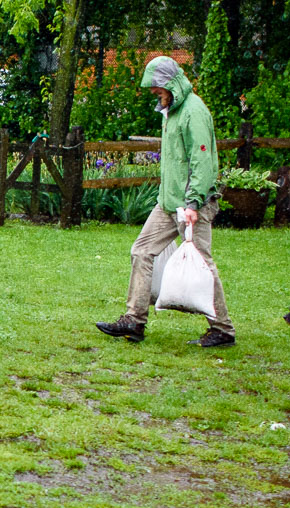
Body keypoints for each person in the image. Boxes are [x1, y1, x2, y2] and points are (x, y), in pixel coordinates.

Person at [96, 56, 235, 348]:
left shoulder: (193, 111)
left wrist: (195, 204)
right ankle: (134, 321)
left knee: (203, 263)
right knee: (142, 250)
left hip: (190, 205)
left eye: (158, 91)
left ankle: (223, 329)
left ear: (171, 85)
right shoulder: (172, 110)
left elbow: (202, 160)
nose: (156, 96)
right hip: (168, 203)